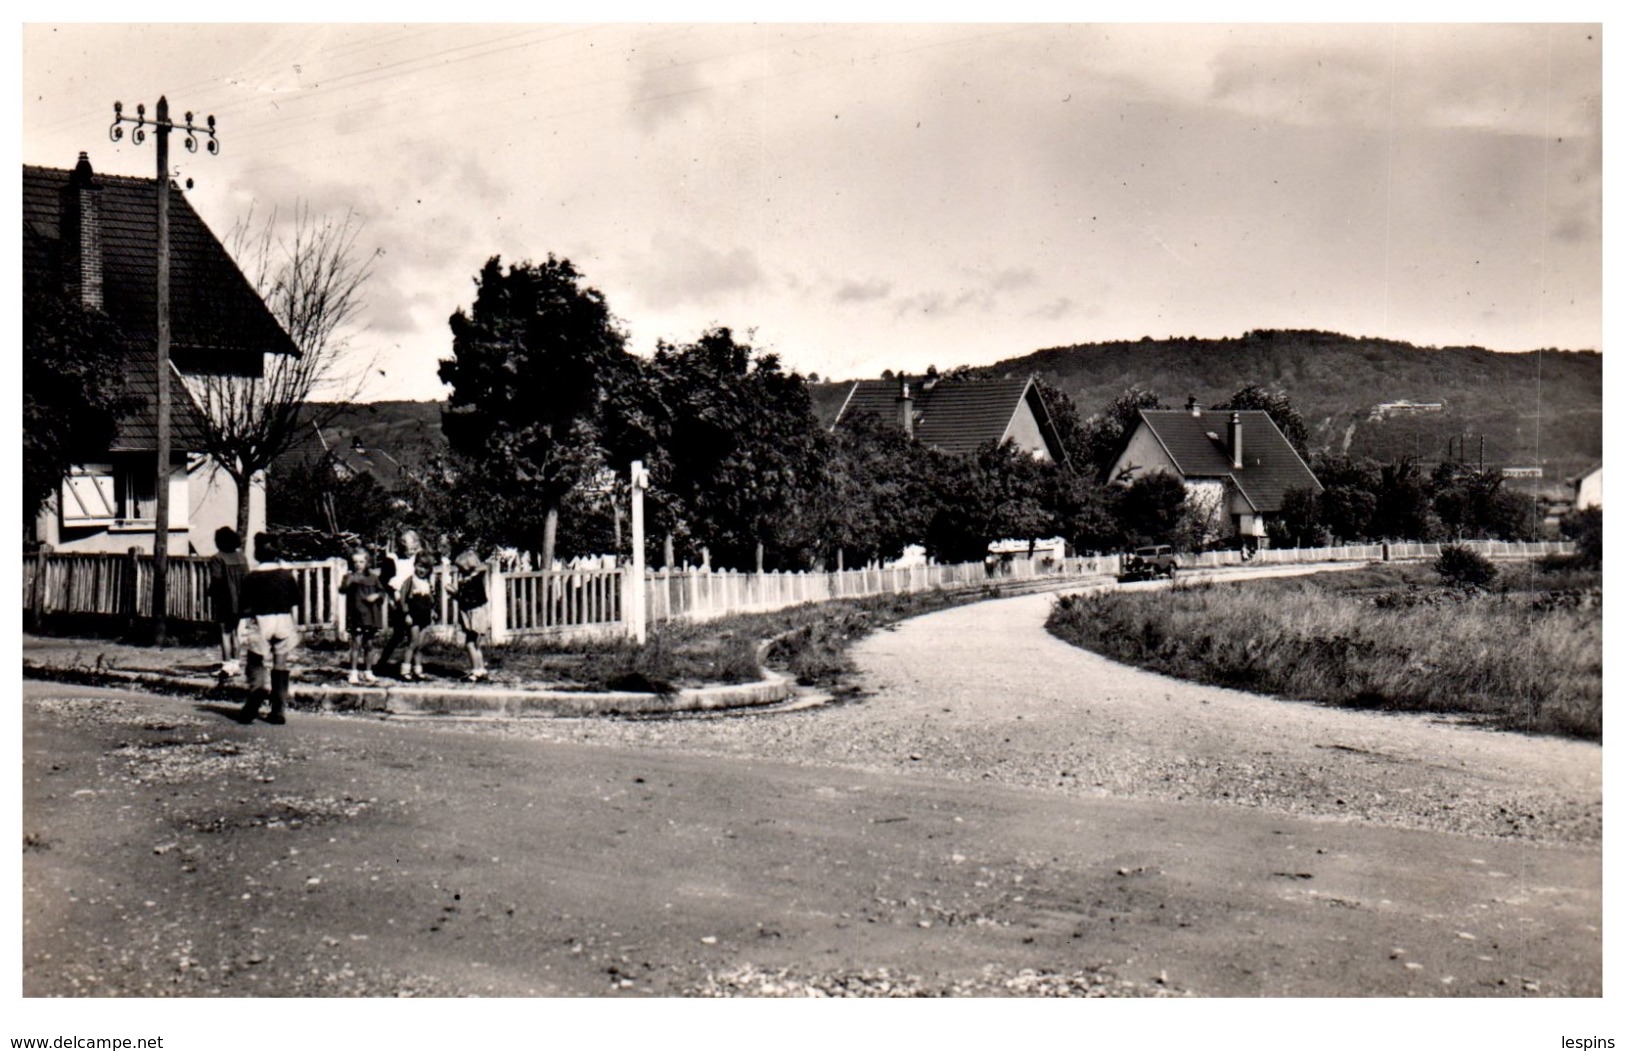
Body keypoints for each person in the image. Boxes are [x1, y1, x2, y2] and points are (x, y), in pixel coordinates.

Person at [236, 533, 301, 725]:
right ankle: (278, 709)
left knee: (255, 660)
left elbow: (245, 606)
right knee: (280, 662)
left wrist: (242, 628)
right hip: (283, 619)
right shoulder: (286, 575)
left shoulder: (251, 578)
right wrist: (294, 626)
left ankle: (258, 690)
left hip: (261, 620)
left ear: (256, 553)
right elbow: (294, 602)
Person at [374, 528, 425, 677]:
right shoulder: (392, 558)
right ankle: (383, 662)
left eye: (414, 548)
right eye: (408, 548)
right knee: (399, 634)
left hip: (416, 599)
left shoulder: (417, 558)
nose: (411, 551)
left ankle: (414, 667)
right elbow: (385, 580)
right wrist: (393, 596)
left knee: (415, 636)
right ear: (401, 545)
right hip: (398, 598)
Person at [340, 547, 387, 685]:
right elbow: (342, 589)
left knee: (369, 644)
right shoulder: (349, 577)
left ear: (368, 562)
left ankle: (368, 671)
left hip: (371, 616)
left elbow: (382, 592)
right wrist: (349, 581)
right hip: (356, 616)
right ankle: (353, 672)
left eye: (361, 561)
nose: (358, 564)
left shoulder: (373, 577)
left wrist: (376, 595)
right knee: (356, 644)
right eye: (355, 562)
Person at [209, 526, 248, 682]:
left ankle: (226, 667)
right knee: (235, 633)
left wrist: (212, 595)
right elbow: (247, 578)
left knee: (224, 632)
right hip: (241, 600)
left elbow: (216, 580)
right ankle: (236, 664)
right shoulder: (242, 557)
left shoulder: (217, 558)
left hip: (225, 599)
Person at [449, 548, 490, 683]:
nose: (459, 570)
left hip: (475, 615)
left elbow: (466, 599)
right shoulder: (474, 580)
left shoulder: (472, 582)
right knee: (476, 645)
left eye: (460, 568)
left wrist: (454, 593)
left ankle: (475, 671)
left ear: (467, 567)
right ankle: (481, 669)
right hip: (476, 613)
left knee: (470, 644)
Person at [397, 553, 436, 682]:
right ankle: (405, 670)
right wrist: (406, 614)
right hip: (413, 616)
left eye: (425, 568)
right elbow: (403, 599)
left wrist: (432, 611)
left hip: (424, 616)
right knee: (413, 642)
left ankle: (418, 670)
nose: (422, 570)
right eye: (420, 566)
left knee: (420, 644)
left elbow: (430, 600)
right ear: (415, 565)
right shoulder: (410, 581)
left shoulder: (427, 583)